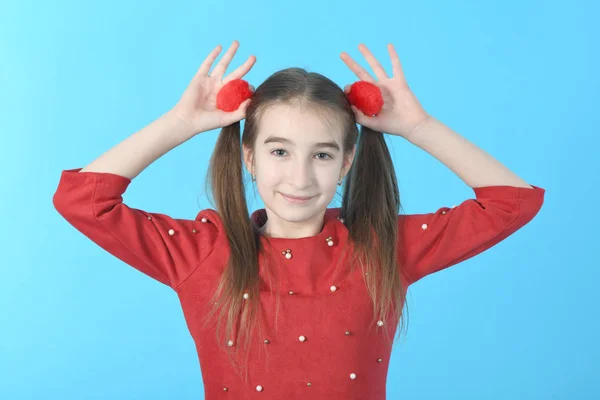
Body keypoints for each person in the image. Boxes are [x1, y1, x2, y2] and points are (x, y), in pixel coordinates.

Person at [52, 40, 545, 399]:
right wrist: (180, 124)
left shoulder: (382, 248)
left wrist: (418, 126)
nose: (300, 176)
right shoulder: (202, 252)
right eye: (279, 151)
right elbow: (82, 201)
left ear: (347, 162)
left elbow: (512, 203)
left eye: (323, 155)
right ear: (248, 156)